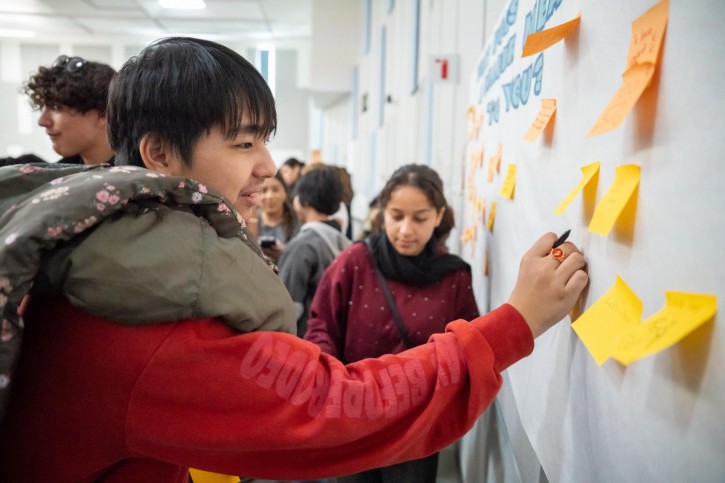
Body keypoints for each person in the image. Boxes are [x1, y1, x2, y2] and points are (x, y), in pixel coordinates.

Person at [0, 37, 588, 481]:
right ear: (159, 154)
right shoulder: (145, 314)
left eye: (265, 141)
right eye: (244, 143)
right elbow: (345, 404)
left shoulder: (117, 255)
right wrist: (518, 322)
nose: (267, 167)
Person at [303, 164, 479, 482]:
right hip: (354, 421)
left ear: (439, 216)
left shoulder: (454, 277)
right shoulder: (355, 262)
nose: (405, 230)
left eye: (420, 218)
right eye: (396, 216)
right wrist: (331, 382)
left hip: (416, 428)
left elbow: (470, 347)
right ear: (382, 213)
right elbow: (321, 325)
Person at [0, 55, 116, 166]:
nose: (42, 121)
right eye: (43, 106)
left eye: (55, 107)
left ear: (103, 114)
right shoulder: (60, 177)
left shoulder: (132, 180)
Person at [278, 167, 352, 337]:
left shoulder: (301, 246)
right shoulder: (344, 242)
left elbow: (287, 307)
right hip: (333, 337)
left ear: (303, 201)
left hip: (305, 339)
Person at [254, 171, 301, 262]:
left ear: (285, 193)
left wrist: (286, 253)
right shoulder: (250, 220)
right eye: (264, 190)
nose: (269, 196)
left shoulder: (297, 221)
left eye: (275, 190)